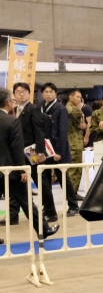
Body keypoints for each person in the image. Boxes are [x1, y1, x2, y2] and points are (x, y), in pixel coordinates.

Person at [0, 88, 55, 239]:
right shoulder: (12, 121)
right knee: (27, 203)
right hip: (11, 169)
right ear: (7, 103)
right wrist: (22, 169)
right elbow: (17, 148)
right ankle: (43, 230)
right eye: (12, 99)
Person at [11, 81, 57, 224]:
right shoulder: (14, 110)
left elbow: (39, 132)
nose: (21, 94)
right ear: (14, 95)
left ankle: (50, 211)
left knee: (41, 182)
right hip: (18, 152)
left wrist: (40, 152)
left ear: (29, 94)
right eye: (18, 92)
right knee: (17, 183)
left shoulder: (33, 109)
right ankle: (13, 215)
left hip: (33, 152)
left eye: (24, 92)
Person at [40, 83, 79, 217]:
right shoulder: (41, 107)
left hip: (57, 150)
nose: (48, 94)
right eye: (46, 91)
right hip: (44, 149)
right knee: (44, 180)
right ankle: (48, 207)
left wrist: (59, 152)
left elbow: (63, 131)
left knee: (63, 178)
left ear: (55, 94)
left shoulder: (60, 108)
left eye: (51, 91)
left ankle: (73, 205)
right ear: (42, 94)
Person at [66, 90, 88, 197]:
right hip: (74, 142)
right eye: (77, 97)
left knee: (73, 168)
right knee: (75, 168)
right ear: (70, 97)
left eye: (80, 97)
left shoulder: (66, 108)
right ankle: (72, 193)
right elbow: (82, 124)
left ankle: (72, 192)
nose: (79, 99)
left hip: (71, 141)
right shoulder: (74, 110)